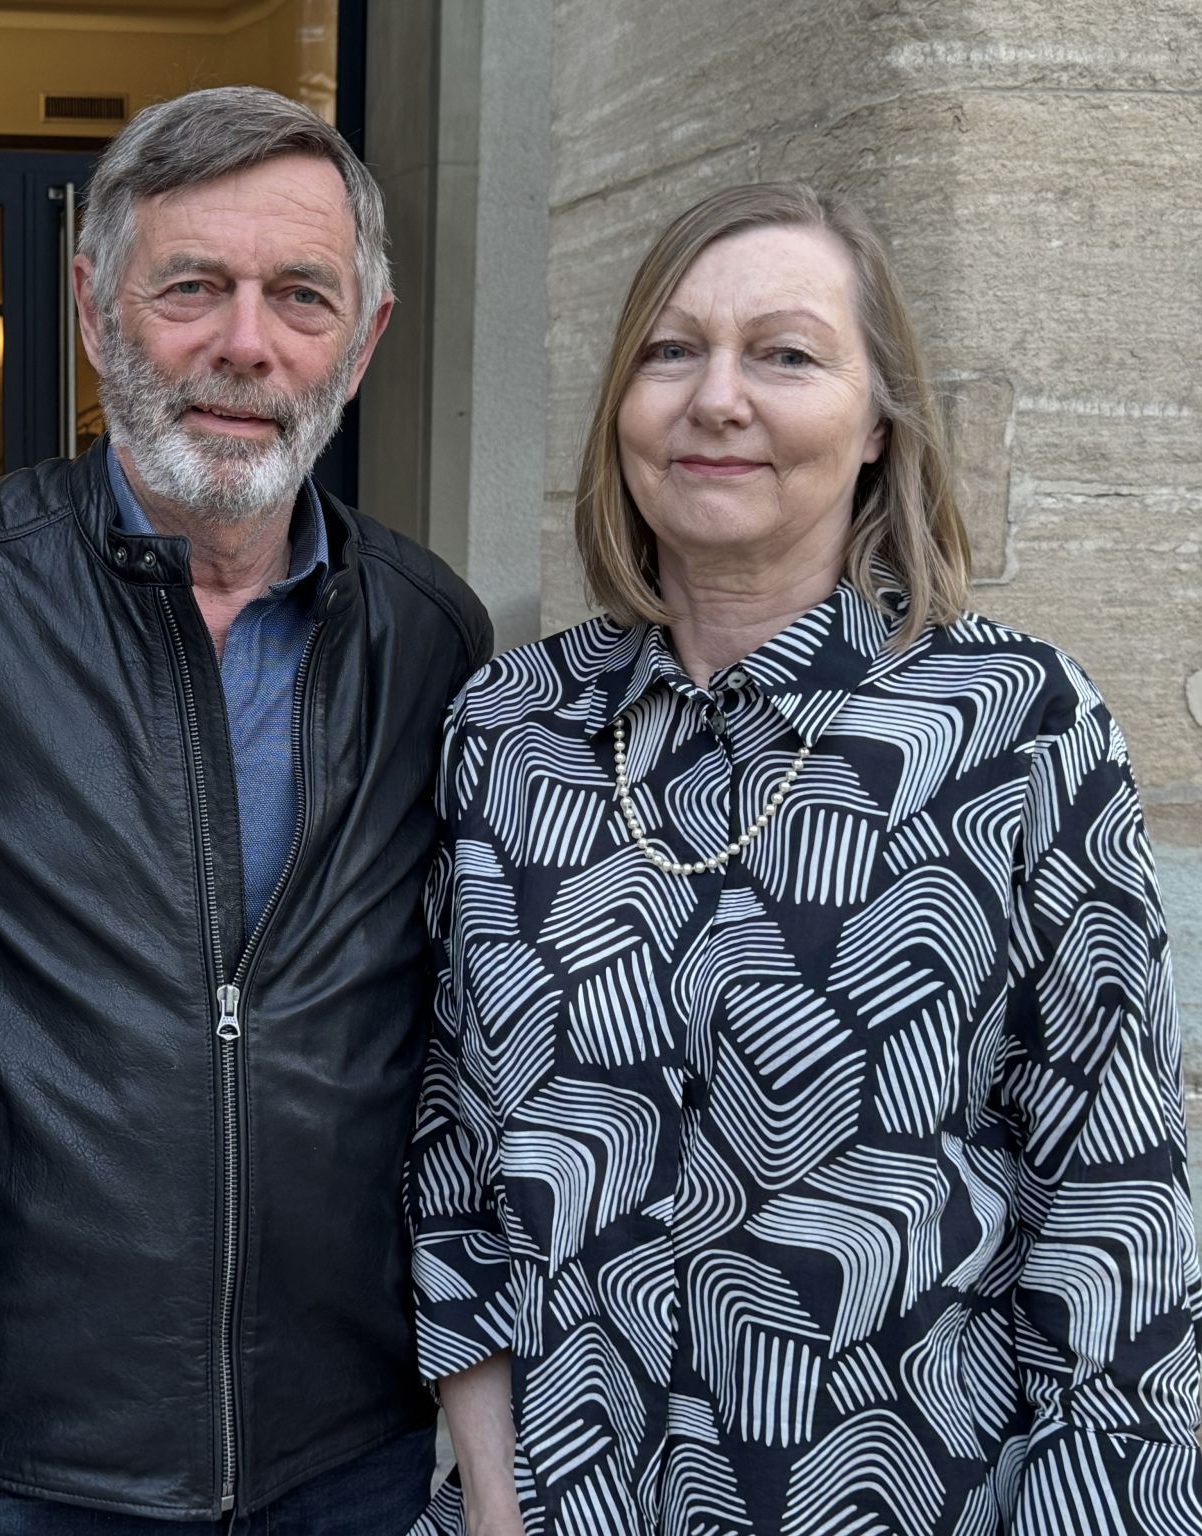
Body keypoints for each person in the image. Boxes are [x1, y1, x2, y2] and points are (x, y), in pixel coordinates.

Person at [410, 181, 1202, 1536]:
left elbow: (1112, 1203)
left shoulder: (1012, 722)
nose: (718, 399)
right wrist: (491, 1495)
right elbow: (458, 1153)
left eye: (785, 353)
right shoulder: (511, 724)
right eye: (672, 351)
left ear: (881, 421)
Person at [0, 85, 491, 1533]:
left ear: (363, 340)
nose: (245, 342)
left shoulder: (432, 637)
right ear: (93, 305)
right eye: (192, 286)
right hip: (19, 1457)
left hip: (345, 1455)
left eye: (300, 296)